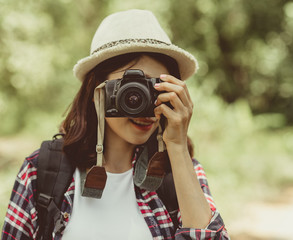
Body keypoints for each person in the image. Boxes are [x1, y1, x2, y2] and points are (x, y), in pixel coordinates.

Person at [2, 9, 229, 239]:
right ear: (96, 92)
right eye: (130, 88)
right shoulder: (40, 171)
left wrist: (177, 147)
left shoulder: (180, 173)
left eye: (155, 89)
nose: (143, 104)